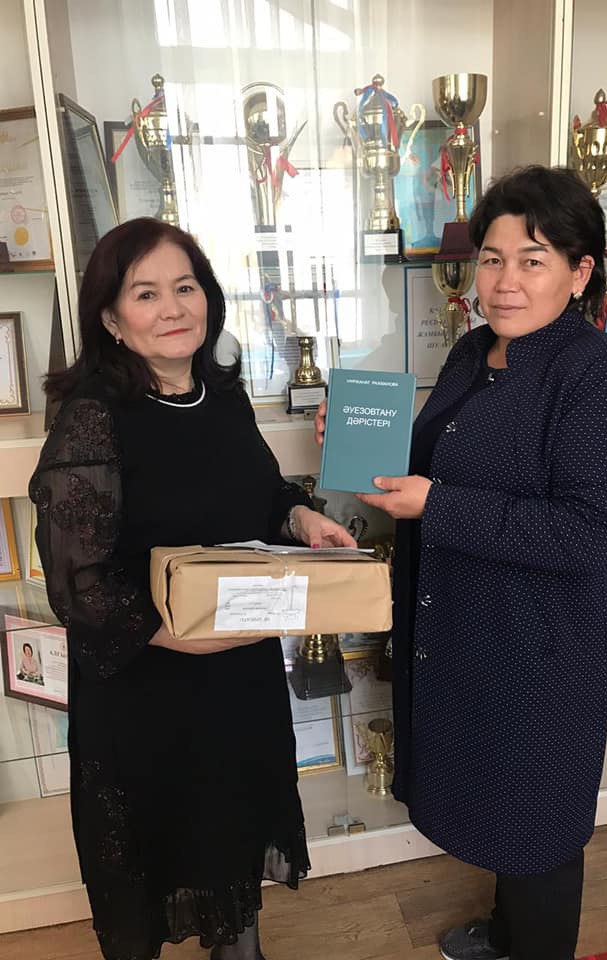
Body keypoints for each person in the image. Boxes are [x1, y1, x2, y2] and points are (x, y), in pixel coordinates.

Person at [315, 166, 607, 960]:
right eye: (492, 259)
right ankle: (505, 934)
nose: (504, 281)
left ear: (580, 271)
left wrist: (436, 506)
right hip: (461, 628)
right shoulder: (474, 353)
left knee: (539, 824)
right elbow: (444, 464)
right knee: (497, 803)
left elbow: (583, 534)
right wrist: (363, 447)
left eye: (533, 260)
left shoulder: (604, 376)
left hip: (536, 647)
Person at [29, 217, 355, 960]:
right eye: (146, 294)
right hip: (147, 690)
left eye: (185, 287)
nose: (173, 308)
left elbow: (262, 494)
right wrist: (181, 637)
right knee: (154, 858)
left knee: (233, 835)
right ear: (112, 318)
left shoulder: (221, 393)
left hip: (237, 675)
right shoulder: (93, 419)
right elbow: (79, 583)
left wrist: (300, 517)